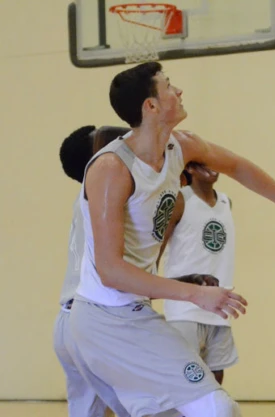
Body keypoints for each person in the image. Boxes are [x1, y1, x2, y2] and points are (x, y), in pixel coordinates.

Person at [68, 61, 275, 417]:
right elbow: (111, 271)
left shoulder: (182, 146)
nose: (178, 91)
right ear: (150, 106)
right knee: (216, 408)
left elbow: (239, 167)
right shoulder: (112, 169)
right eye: (168, 86)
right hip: (104, 319)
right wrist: (197, 294)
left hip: (132, 312)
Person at [55, 124, 132, 417]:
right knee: (140, 406)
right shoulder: (104, 192)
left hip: (67, 320)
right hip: (94, 318)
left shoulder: (89, 195)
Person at [158, 162, 239, 386]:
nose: (214, 166)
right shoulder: (178, 199)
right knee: (185, 380)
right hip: (184, 309)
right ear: (190, 169)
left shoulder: (225, 202)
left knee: (216, 378)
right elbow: (157, 249)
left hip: (220, 307)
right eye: (204, 164)